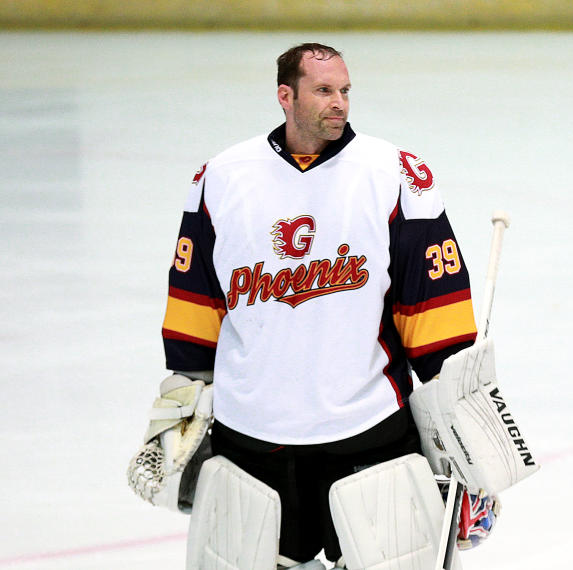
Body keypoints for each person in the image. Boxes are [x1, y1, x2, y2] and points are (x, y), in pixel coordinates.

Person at [157, 42, 480, 566]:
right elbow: (195, 298)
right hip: (253, 434)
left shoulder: (394, 174)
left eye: (345, 91)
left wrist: (460, 420)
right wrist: (186, 394)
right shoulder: (221, 177)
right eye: (324, 91)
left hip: (368, 427)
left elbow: (434, 306)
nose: (340, 103)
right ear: (286, 96)